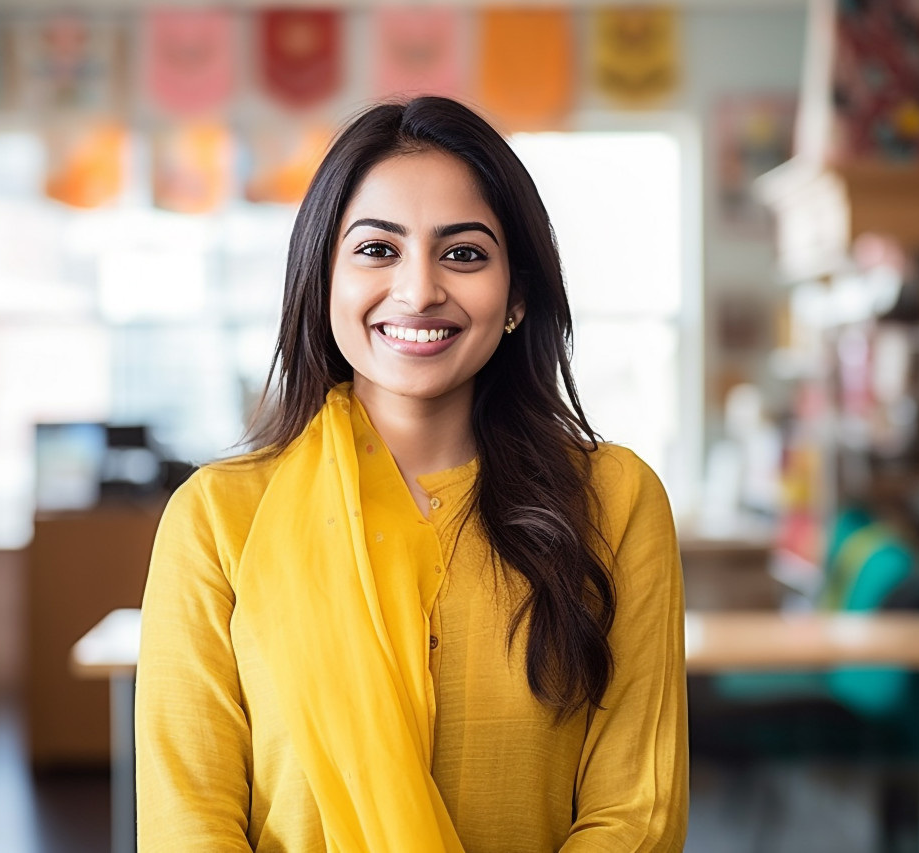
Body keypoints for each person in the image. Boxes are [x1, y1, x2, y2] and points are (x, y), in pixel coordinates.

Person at [135, 96, 688, 852]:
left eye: (463, 253)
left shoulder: (618, 501)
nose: (420, 289)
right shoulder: (215, 519)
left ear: (518, 294)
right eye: (377, 249)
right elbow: (187, 822)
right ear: (322, 276)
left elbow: (637, 814)